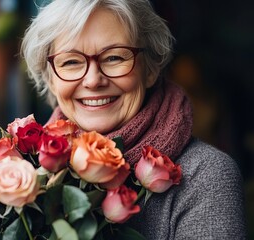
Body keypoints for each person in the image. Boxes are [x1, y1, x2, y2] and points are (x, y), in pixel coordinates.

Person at [20, 0, 246, 239]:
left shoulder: (206, 175)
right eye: (71, 62)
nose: (93, 80)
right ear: (51, 79)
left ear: (150, 69)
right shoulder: (22, 175)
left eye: (114, 58)